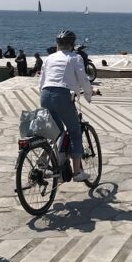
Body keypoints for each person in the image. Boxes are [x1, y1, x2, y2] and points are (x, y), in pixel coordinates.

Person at [39, 29, 100, 182]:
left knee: (55, 130)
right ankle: (77, 172)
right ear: (72, 45)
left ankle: (45, 157)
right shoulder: (75, 58)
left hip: (45, 95)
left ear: (57, 44)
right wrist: (90, 92)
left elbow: (42, 81)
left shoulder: (49, 58)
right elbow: (84, 80)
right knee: (74, 131)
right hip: (62, 96)